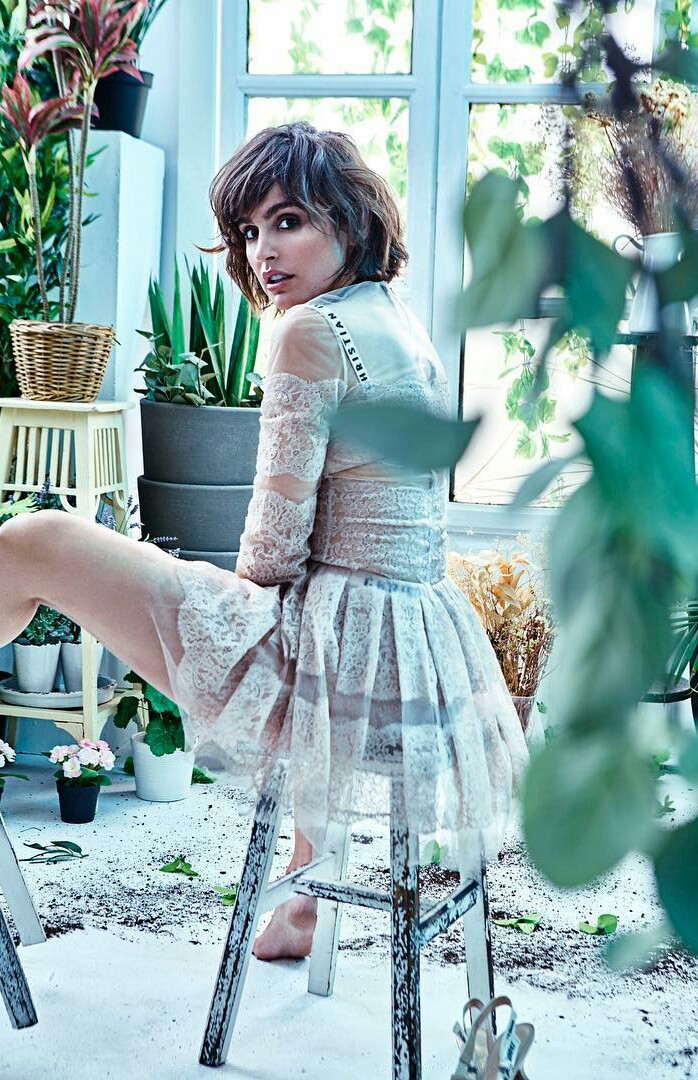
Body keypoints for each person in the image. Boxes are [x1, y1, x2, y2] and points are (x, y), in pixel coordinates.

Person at [0, 121, 528, 963]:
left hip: (326, 655)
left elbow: (274, 548)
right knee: (158, 574)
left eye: (288, 221)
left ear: (349, 220)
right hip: (409, 646)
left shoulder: (308, 331)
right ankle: (302, 900)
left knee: (32, 540)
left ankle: (303, 896)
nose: (264, 252)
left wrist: (211, 596)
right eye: (249, 231)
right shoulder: (397, 319)